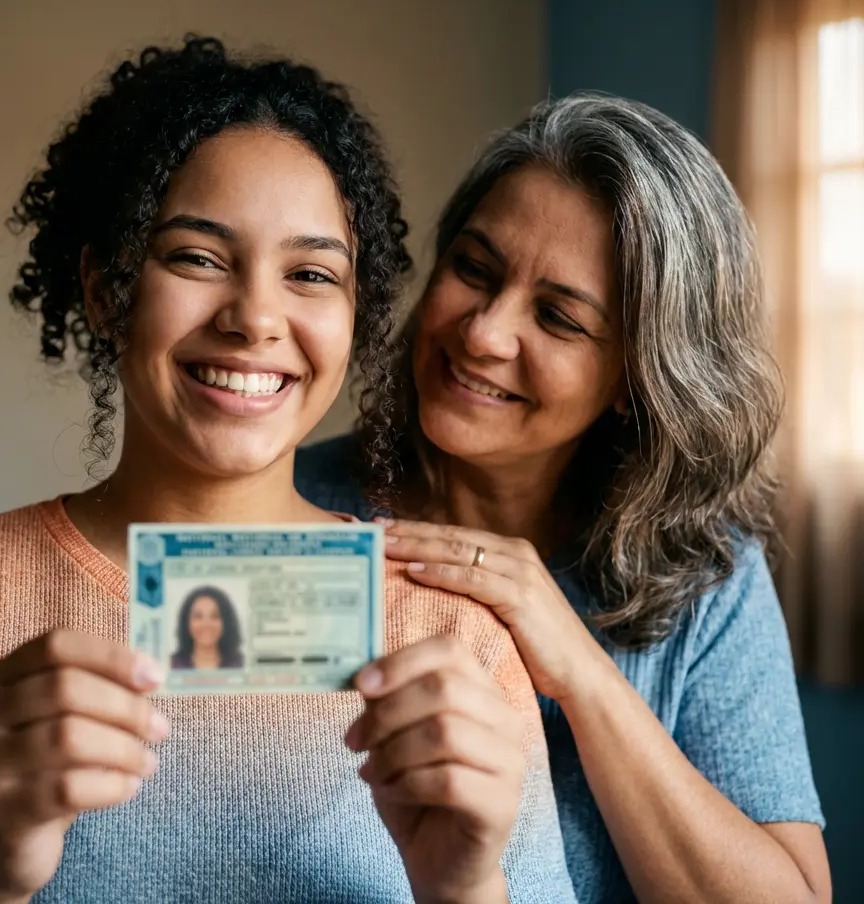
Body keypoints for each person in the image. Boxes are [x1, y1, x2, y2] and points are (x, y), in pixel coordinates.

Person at [0, 38, 577, 904]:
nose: (256, 316)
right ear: (107, 289)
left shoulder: (460, 638)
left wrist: (465, 886)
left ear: (355, 317)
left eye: (310, 273)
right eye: (197, 257)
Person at [297, 94, 832, 904]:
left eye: (558, 317)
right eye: (474, 269)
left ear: (635, 379)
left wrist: (578, 668)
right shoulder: (291, 501)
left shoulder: (705, 576)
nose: (484, 333)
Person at [171, 586, 244, 670]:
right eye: (198, 616)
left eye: (215, 616)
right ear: (186, 622)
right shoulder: (171, 665)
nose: (206, 624)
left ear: (226, 622)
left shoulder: (241, 665)